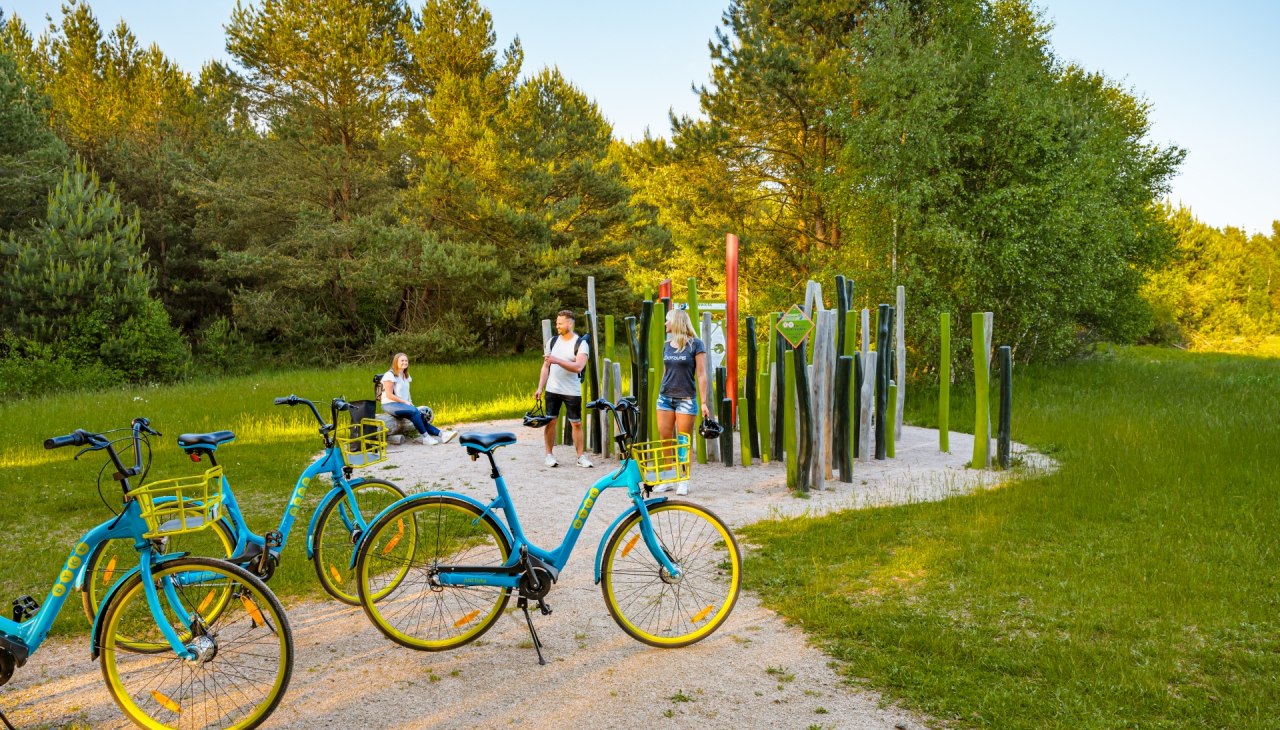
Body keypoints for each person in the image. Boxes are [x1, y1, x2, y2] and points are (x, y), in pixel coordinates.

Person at [655, 308, 711, 495]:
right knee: (665, 439)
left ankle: (684, 479)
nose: (665, 324)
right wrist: (661, 392)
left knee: (683, 441)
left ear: (676, 322)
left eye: (667, 320)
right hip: (665, 398)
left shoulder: (696, 344)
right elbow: (666, 371)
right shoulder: (667, 345)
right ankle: (669, 478)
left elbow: (702, 374)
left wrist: (703, 402)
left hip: (686, 398)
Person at [535, 310, 593, 468]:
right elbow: (546, 366)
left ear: (570, 323)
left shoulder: (581, 344)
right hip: (552, 389)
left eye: (560, 323)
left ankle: (580, 457)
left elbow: (578, 366)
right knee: (550, 421)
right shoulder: (552, 342)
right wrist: (540, 388)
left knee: (576, 424)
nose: (557, 326)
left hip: (572, 391)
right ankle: (549, 455)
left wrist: (557, 360)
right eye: (556, 323)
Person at [381, 352, 457, 445]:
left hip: (402, 404)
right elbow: (389, 395)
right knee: (414, 411)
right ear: (396, 362)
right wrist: (405, 402)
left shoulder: (406, 375)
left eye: (406, 361)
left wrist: (410, 402)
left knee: (418, 415)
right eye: (402, 360)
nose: (404, 362)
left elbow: (407, 393)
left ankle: (442, 434)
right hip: (389, 404)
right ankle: (426, 437)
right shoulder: (389, 375)